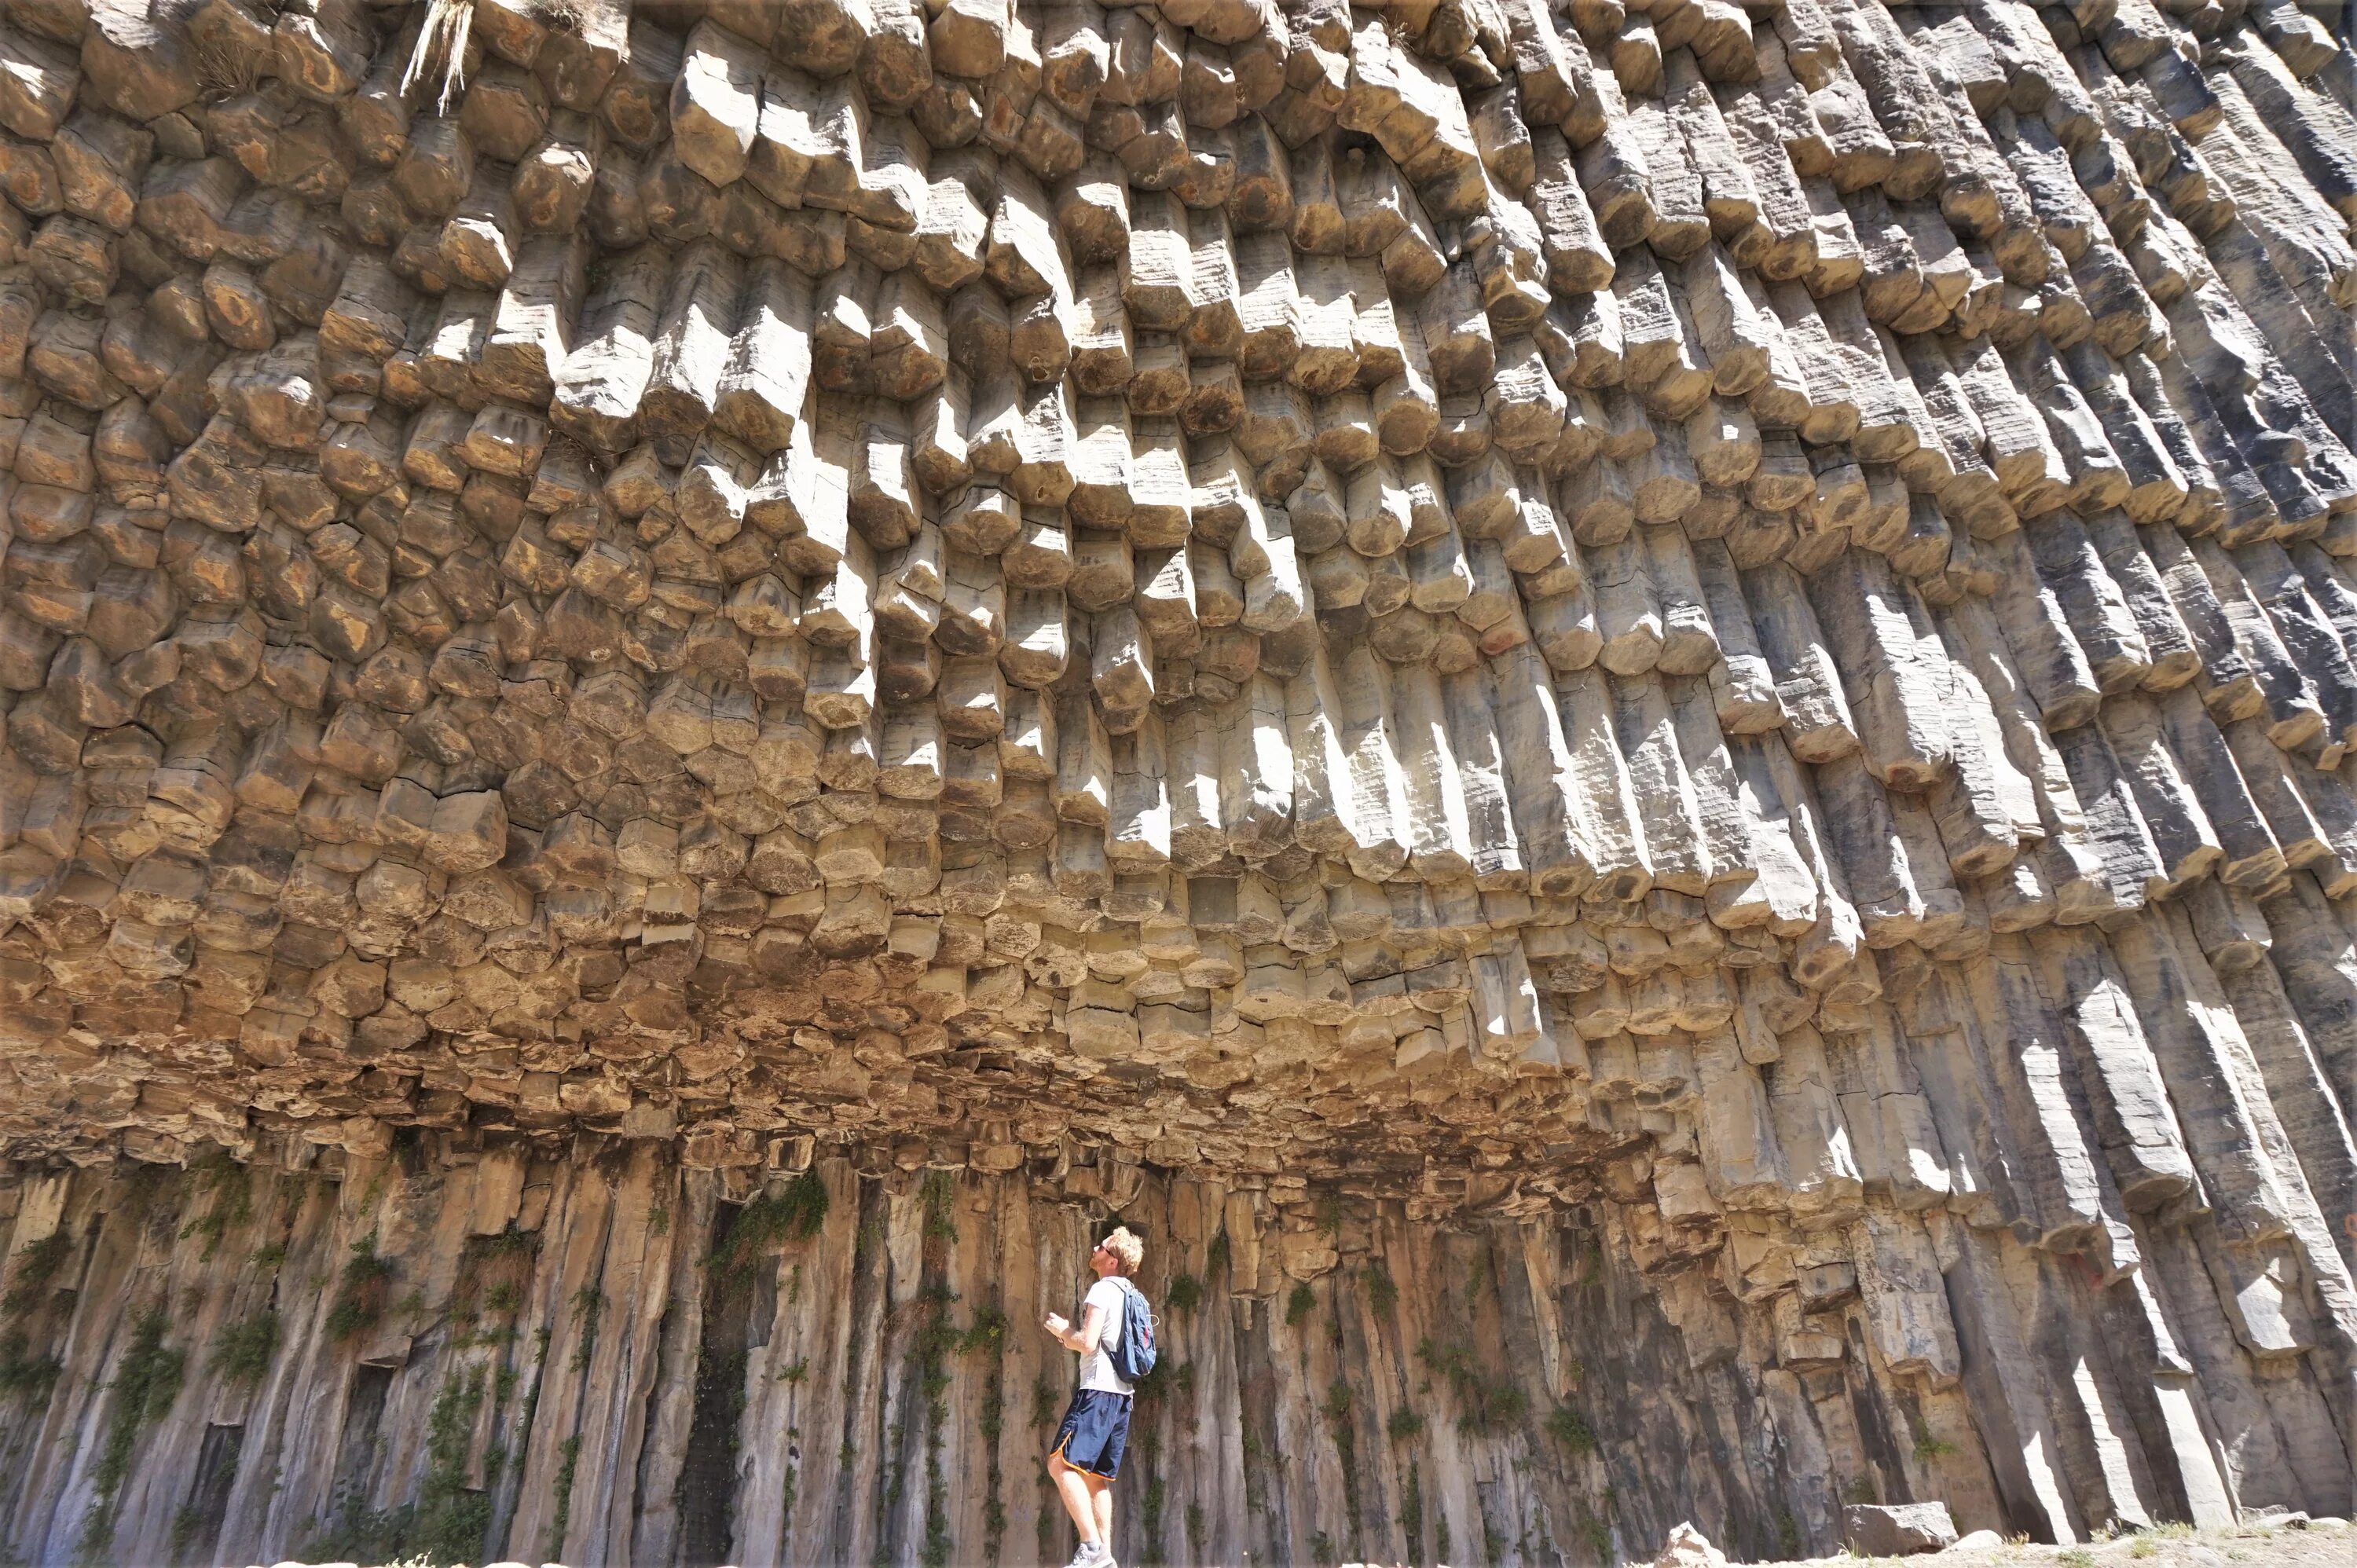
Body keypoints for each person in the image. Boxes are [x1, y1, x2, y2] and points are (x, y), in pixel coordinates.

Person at [1042, 1225, 1146, 1568]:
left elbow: (1087, 1343)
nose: (1095, 1247)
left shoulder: (1102, 1289)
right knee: (1095, 1477)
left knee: (1060, 1464)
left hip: (1097, 1392)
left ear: (1111, 1259)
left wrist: (1063, 1332)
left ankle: (1092, 1547)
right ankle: (1107, 1559)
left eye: (1102, 1246)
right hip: (1122, 1397)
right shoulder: (1132, 1293)